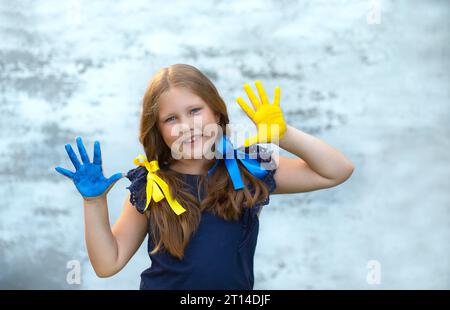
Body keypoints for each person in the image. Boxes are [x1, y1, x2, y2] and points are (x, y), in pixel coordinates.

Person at [55, 63, 354, 290]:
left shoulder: (251, 168)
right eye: (171, 119)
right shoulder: (151, 185)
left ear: (216, 113)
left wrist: (285, 136)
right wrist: (94, 203)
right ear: (158, 131)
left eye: (195, 110)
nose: (186, 126)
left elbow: (337, 171)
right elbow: (108, 263)